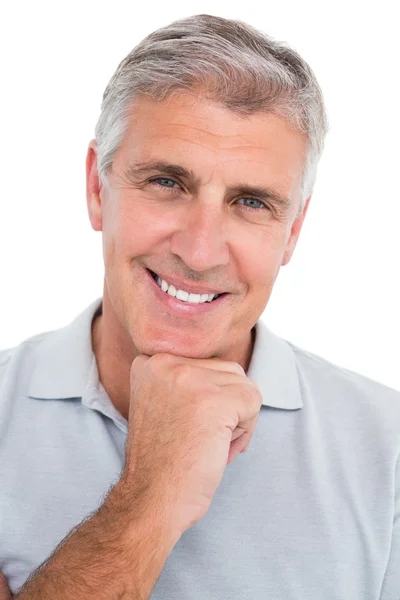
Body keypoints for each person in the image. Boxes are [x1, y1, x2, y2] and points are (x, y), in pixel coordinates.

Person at [0, 13, 399, 600]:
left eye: (252, 202)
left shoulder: (388, 449)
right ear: (96, 188)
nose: (200, 249)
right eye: (167, 182)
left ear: (293, 232)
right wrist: (153, 491)